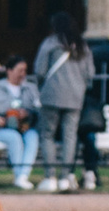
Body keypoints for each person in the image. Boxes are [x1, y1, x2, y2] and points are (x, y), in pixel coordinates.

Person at [40, 32, 94, 188]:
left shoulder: (50, 43)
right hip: (75, 97)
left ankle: (50, 177)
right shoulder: (82, 46)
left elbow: (40, 69)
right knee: (70, 136)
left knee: (47, 135)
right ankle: (65, 177)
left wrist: (41, 86)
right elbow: (90, 73)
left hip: (51, 95)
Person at [0, 55, 41, 189]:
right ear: (9, 71)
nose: (23, 74)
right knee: (14, 138)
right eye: (20, 70)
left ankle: (22, 176)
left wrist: (27, 113)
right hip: (0, 129)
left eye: (25, 70)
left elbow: (38, 109)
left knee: (33, 137)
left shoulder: (30, 89)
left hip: (24, 127)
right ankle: (20, 176)